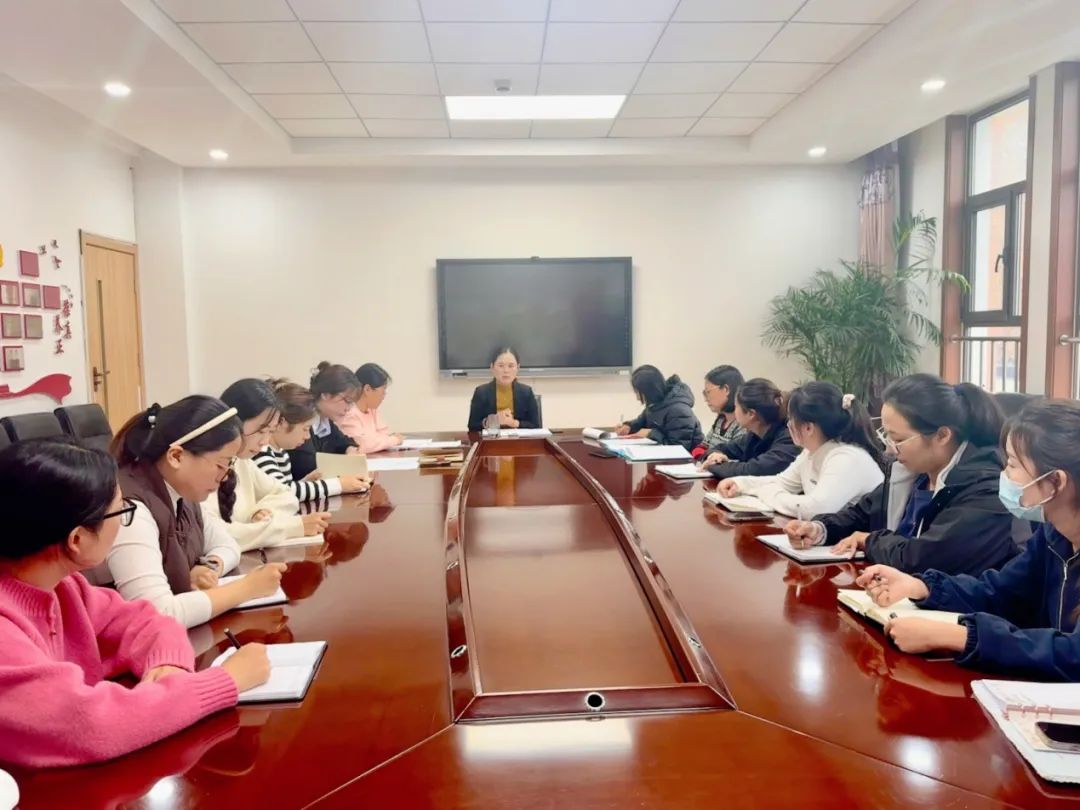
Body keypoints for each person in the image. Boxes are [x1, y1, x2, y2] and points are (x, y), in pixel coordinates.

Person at [0, 437, 271, 768]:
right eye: (120, 511)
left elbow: (148, 621)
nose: (123, 522)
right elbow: (88, 726)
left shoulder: (63, 587)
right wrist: (225, 682)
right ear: (77, 539)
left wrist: (168, 665)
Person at [853, 399, 1080, 679]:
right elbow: (999, 591)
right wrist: (922, 587)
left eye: (1012, 464)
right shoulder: (1053, 536)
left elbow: (1074, 654)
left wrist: (962, 637)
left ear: (1056, 482)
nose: (1003, 475)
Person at [785, 374, 1017, 576]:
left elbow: (923, 558)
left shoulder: (985, 487)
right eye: (886, 436)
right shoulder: (913, 473)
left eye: (898, 439)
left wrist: (869, 541)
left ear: (942, 436)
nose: (890, 448)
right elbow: (861, 514)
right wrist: (819, 529)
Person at [103, 396, 287, 628]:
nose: (225, 477)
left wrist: (209, 568)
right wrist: (246, 588)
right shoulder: (131, 511)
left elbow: (228, 544)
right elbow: (157, 615)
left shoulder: (182, 493)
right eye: (221, 465)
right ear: (176, 456)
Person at [717, 382, 884, 519]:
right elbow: (782, 482)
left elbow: (815, 509)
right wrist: (741, 484)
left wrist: (768, 494)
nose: (788, 425)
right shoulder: (811, 451)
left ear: (808, 428)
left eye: (791, 419)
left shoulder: (846, 458)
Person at [203, 379, 330, 551]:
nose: (264, 441)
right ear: (233, 423)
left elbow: (286, 494)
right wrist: (291, 527)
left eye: (270, 431)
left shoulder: (242, 462)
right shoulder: (203, 469)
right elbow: (217, 536)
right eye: (261, 431)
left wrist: (260, 512)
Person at [255, 380, 370, 503]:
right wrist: (338, 485)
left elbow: (283, 487)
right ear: (281, 423)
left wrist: (306, 481)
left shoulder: (281, 453)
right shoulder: (261, 452)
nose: (307, 436)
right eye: (305, 429)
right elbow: (283, 494)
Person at [700, 378, 799, 480]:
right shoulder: (754, 436)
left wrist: (714, 466)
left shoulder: (789, 437)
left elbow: (754, 470)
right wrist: (715, 457)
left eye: (736, 406)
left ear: (751, 414)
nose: (734, 411)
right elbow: (720, 448)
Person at [288, 362, 363, 480]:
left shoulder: (326, 421)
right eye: (347, 401)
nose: (348, 408)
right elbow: (307, 466)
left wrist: (349, 449)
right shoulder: (302, 418)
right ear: (325, 395)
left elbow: (344, 441)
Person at [616, 365, 703, 451]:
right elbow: (640, 422)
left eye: (638, 393)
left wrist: (650, 434)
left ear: (649, 391)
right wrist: (629, 427)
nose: (638, 398)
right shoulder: (655, 405)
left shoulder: (679, 410)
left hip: (686, 458)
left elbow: (679, 449)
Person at [467, 347, 541, 432]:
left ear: (518, 368)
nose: (506, 370)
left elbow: (535, 426)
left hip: (518, 439)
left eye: (511, 366)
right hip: (491, 439)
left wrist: (514, 423)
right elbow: (472, 426)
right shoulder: (481, 392)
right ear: (492, 367)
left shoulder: (526, 392)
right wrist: (494, 420)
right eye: (501, 366)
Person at [336, 363, 404, 453]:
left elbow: (384, 435)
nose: (384, 395)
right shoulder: (348, 413)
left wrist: (380, 441)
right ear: (367, 389)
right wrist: (394, 440)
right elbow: (361, 445)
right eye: (383, 390)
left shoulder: (372, 410)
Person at [693, 365, 745, 459]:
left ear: (726, 389)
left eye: (708, 392)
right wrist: (707, 456)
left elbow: (733, 461)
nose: (705, 399)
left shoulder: (743, 424)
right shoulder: (721, 419)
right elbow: (701, 447)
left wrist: (707, 457)